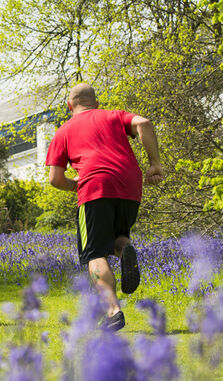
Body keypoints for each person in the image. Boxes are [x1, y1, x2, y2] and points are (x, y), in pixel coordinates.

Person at [45, 83, 164, 331]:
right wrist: (154, 164)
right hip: (130, 186)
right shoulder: (114, 116)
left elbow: (54, 179)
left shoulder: (63, 131)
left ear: (70, 105)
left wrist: (73, 185)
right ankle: (126, 249)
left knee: (94, 253)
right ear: (96, 102)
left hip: (95, 188)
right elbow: (144, 123)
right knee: (117, 237)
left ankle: (113, 312)